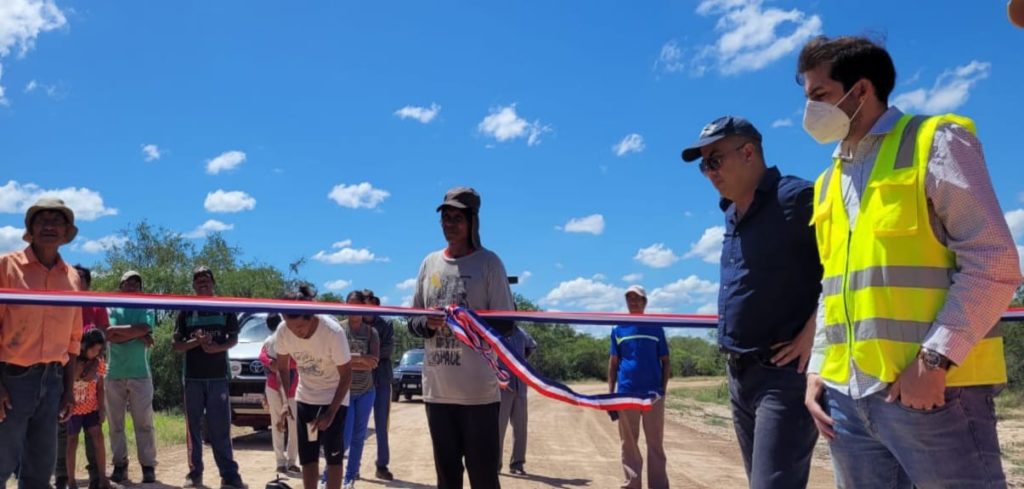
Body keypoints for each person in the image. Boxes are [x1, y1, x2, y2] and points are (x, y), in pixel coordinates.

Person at [797, 36, 1022, 488]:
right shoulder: (828, 183)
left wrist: (934, 361)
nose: (809, 111)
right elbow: (833, 289)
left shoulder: (934, 142)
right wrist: (819, 366)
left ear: (861, 90)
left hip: (935, 394)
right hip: (847, 400)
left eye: (819, 95)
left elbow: (994, 261)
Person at [680, 116, 821, 488]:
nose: (709, 173)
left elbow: (848, 266)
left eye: (714, 160)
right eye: (703, 166)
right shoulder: (731, 212)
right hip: (739, 375)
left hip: (783, 375)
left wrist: (816, 329)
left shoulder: (796, 198)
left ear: (748, 152)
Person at [408, 187, 516, 489]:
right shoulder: (429, 263)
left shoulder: (488, 263)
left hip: (478, 394)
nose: (450, 224)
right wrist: (428, 324)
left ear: (472, 222)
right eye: (446, 218)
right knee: (447, 479)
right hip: (437, 392)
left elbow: (507, 324)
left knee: (484, 479)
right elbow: (412, 320)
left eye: (457, 218)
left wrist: (467, 322)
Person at [0, 198, 85, 487]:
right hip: (12, 379)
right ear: (31, 229)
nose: (49, 225)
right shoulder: (7, 267)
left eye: (57, 220)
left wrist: (68, 390)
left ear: (66, 231)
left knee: (39, 470)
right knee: (1, 462)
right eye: (42, 220)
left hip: (53, 381)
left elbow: (73, 340)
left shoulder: (72, 278)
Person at [173, 266, 246, 489]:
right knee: (193, 428)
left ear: (213, 283)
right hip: (192, 378)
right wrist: (196, 342)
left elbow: (233, 339)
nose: (202, 283)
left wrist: (217, 348)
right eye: (198, 280)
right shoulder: (186, 311)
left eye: (206, 279)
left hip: (218, 377)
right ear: (193, 285)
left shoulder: (225, 308)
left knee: (220, 428)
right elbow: (176, 345)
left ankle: (229, 475)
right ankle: (194, 474)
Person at [273, 287, 353, 489]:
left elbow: (346, 375)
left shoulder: (332, 332)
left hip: (334, 397)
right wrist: (285, 402)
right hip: (306, 398)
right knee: (308, 456)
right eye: (291, 326)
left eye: (300, 326)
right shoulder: (283, 331)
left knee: (333, 456)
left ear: (311, 316)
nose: (296, 332)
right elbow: (282, 368)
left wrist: (331, 413)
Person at [608, 285, 670, 489]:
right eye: (630, 298)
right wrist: (610, 394)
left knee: (655, 443)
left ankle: (658, 486)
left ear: (645, 302)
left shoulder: (656, 327)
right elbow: (613, 363)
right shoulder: (618, 328)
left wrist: (662, 390)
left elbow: (666, 361)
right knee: (628, 442)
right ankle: (632, 484)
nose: (633, 302)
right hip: (626, 393)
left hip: (653, 394)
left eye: (637, 298)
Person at [105, 270, 158, 484]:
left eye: (137, 282)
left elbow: (145, 327)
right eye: (128, 282)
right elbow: (107, 334)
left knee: (144, 422)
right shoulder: (111, 307)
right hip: (113, 373)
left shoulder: (146, 306)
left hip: (140, 373)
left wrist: (121, 333)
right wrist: (137, 334)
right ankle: (120, 465)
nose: (133, 285)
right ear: (121, 286)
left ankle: (148, 466)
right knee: (115, 424)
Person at [55, 265, 105, 489]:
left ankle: (97, 476)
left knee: (93, 432)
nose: (75, 280)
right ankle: (63, 476)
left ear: (87, 283)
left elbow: (103, 336)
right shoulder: (61, 302)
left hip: (90, 366)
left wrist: (93, 362)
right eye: (72, 276)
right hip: (63, 365)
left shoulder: (96, 304)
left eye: (80, 277)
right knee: (64, 431)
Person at [340, 290, 380, 489]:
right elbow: (335, 362)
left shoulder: (371, 333)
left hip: (366, 391)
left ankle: (350, 476)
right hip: (344, 391)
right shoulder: (338, 330)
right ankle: (329, 474)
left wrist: (351, 360)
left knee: (359, 436)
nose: (354, 310)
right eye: (351, 304)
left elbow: (373, 362)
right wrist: (361, 359)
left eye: (358, 305)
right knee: (344, 437)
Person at [66, 329, 111, 489]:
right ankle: (71, 482)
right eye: (94, 349)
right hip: (73, 409)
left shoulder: (99, 363)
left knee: (98, 438)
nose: (96, 353)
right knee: (72, 441)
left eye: (99, 350)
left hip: (91, 407)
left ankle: (103, 479)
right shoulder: (72, 361)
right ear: (84, 345)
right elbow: (69, 380)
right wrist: (81, 369)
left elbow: (100, 387)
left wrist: (101, 409)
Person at [260, 311, 300, 476]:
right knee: (291, 425)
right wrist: (272, 362)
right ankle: (288, 461)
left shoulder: (274, 339)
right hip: (282, 386)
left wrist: (272, 363)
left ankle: (282, 462)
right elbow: (263, 356)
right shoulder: (282, 339)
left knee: (278, 423)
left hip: (283, 385)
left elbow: (262, 357)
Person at [362, 291, 395, 481]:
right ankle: (353, 466)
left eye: (369, 304)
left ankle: (382, 465)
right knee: (357, 425)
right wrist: (366, 358)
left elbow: (388, 349)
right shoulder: (355, 324)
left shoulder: (386, 324)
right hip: (360, 380)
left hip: (381, 379)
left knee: (382, 425)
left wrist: (366, 357)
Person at [497, 325, 536, 475]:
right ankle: (495, 464)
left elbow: (532, 346)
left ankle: (517, 464)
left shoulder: (521, 332)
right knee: (498, 428)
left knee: (520, 428)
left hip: (520, 387)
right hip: (502, 387)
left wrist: (521, 360)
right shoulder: (496, 331)